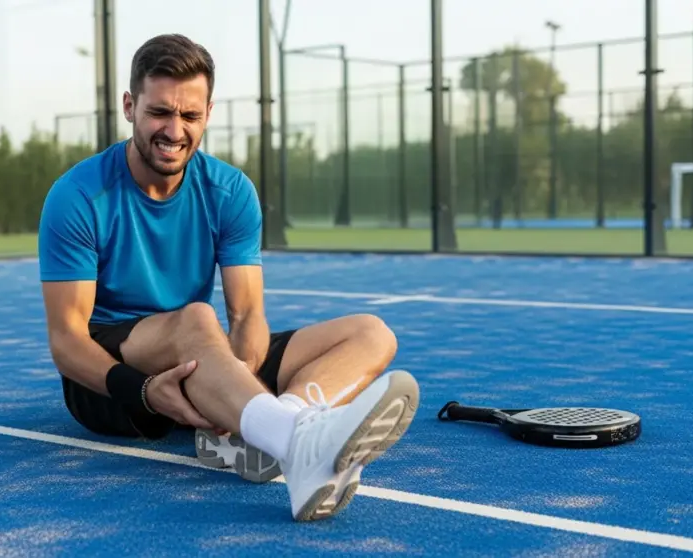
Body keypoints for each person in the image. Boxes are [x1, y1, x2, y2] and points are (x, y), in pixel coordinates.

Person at [38, 33, 419, 522]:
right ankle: (297, 441)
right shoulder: (77, 196)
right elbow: (67, 342)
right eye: (159, 112)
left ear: (208, 114)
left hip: (203, 352)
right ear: (130, 106)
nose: (174, 130)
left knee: (371, 333)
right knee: (197, 317)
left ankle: (267, 431)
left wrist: (237, 373)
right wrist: (140, 390)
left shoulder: (230, 190)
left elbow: (247, 314)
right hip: (110, 375)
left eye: (190, 116)